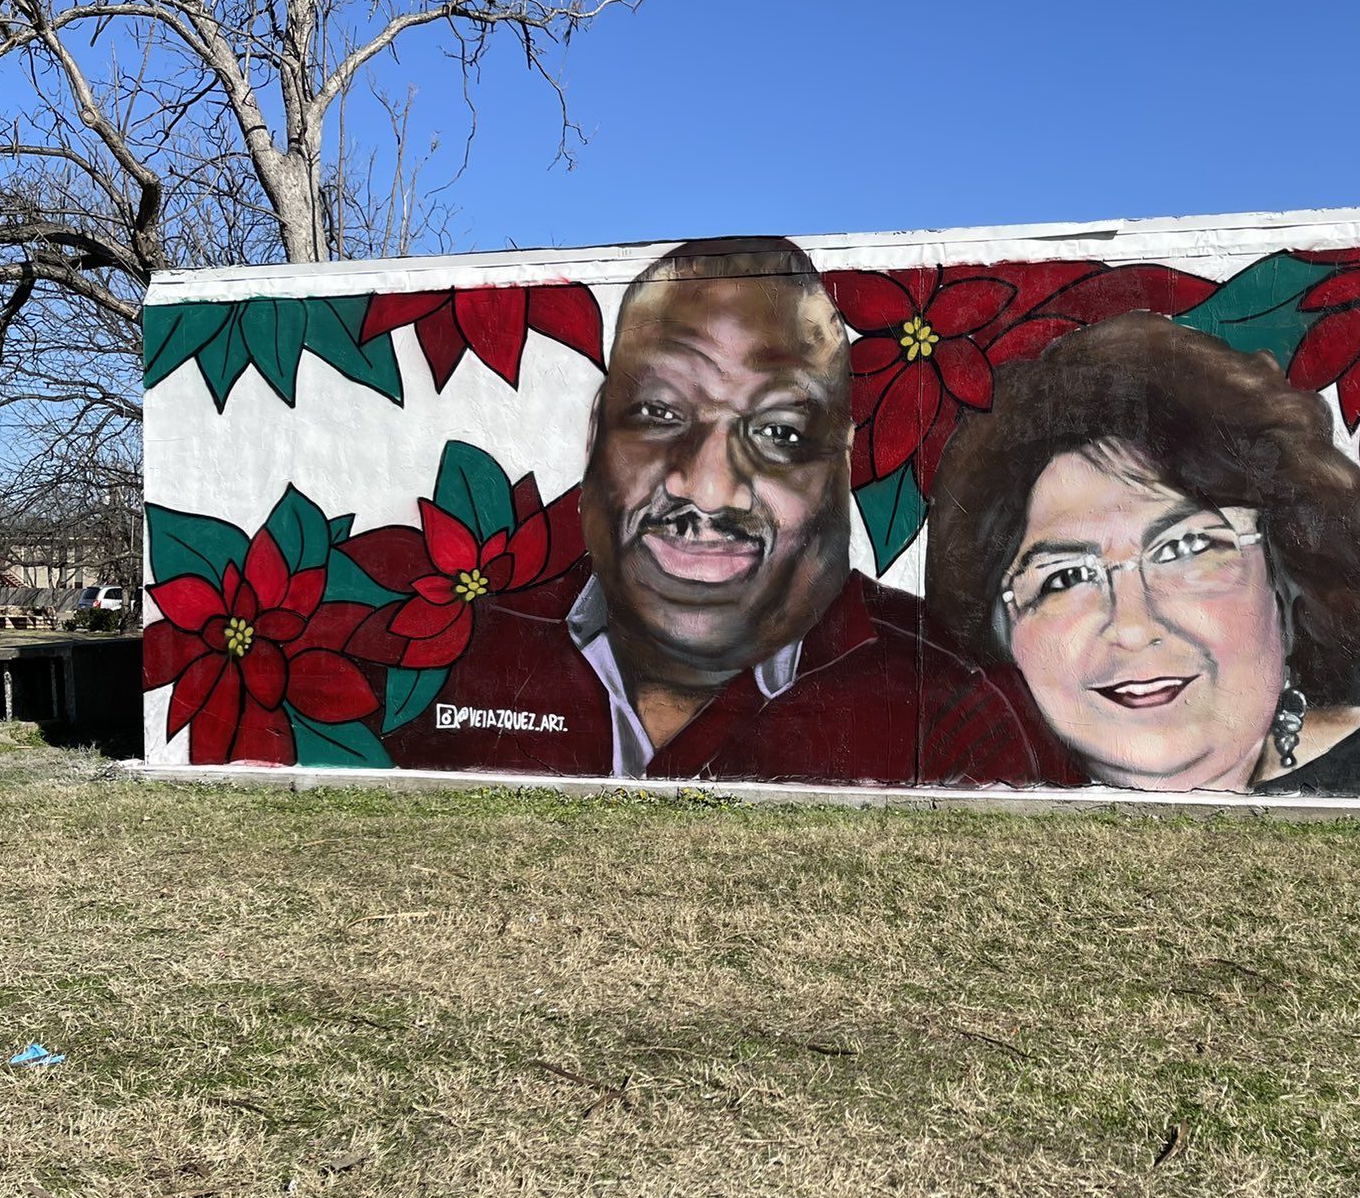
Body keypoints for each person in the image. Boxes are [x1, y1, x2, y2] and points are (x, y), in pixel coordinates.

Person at [386, 237, 1040, 787]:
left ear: (839, 459)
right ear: (597, 434)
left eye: (779, 431)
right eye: (659, 413)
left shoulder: (948, 711)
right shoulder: (465, 652)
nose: (706, 490)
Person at [923, 313, 1360, 805]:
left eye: (1185, 548)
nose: (1131, 624)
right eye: (1067, 576)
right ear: (1003, 628)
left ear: (1286, 574)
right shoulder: (976, 794)